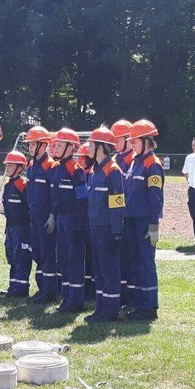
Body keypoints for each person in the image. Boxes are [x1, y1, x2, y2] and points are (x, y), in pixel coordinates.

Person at [123, 119, 164, 321]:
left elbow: (155, 196)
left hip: (144, 221)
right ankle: (138, 303)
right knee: (135, 261)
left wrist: (154, 224)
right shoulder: (134, 161)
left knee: (146, 262)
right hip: (131, 219)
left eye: (135, 141)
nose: (132, 145)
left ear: (147, 141)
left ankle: (149, 307)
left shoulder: (152, 164)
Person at [85, 127, 125, 322]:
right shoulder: (94, 170)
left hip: (107, 229)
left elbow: (117, 204)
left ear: (100, 147)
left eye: (91, 145)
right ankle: (100, 308)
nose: (88, 148)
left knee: (109, 271)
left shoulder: (113, 171)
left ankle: (110, 312)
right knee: (99, 271)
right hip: (95, 228)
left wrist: (116, 233)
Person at [49, 127, 88, 313]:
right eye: (55, 144)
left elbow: (82, 199)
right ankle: (66, 297)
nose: (55, 147)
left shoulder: (76, 170)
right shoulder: (55, 168)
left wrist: (80, 224)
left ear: (71, 147)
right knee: (62, 259)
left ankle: (76, 300)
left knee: (74, 260)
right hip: (61, 219)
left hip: (74, 220)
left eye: (60, 144)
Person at [23, 126, 59, 305]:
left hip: (46, 219)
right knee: (37, 253)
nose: (29, 147)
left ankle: (50, 291)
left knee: (47, 254)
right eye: (29, 144)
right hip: (34, 217)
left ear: (43, 145)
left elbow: (54, 195)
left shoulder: (50, 166)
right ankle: (43, 288)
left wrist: (52, 215)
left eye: (32, 144)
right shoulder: (32, 166)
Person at [0, 150, 33, 298]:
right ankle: (13, 286)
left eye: (11, 165)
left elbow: (29, 207)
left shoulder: (23, 185)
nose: (7, 168)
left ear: (20, 168)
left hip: (22, 229)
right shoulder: (8, 185)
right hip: (11, 228)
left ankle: (21, 288)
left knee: (21, 257)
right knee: (12, 257)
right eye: (7, 165)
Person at [111, 119, 136, 306]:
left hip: (129, 215)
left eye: (118, 140)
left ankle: (128, 295)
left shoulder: (133, 160)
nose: (115, 144)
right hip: (119, 215)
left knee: (129, 257)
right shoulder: (118, 159)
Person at [73, 142, 95, 301]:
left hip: (93, 224)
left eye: (83, 158)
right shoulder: (80, 176)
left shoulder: (95, 176)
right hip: (82, 224)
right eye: (78, 158)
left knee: (93, 259)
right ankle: (86, 290)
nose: (79, 161)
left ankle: (93, 290)